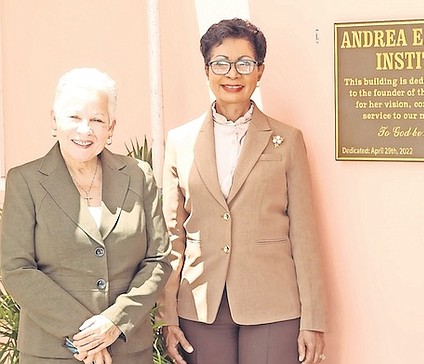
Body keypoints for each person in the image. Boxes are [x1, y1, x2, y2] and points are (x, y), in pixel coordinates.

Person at [156, 18, 327, 364]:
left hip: (273, 304)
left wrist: (314, 320)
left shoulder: (287, 140)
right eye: (220, 63)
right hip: (200, 304)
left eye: (244, 64)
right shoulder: (180, 141)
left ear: (259, 71)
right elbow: (171, 236)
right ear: (207, 70)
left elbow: (304, 234)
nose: (232, 74)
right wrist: (166, 314)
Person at [0, 67, 171, 364]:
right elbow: (16, 268)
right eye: (74, 117)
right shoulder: (24, 180)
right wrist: (86, 334)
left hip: (128, 350)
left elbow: (158, 259)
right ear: (54, 120)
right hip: (52, 352)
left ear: (111, 127)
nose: (85, 130)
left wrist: (115, 321)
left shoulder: (138, 175)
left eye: (97, 120)